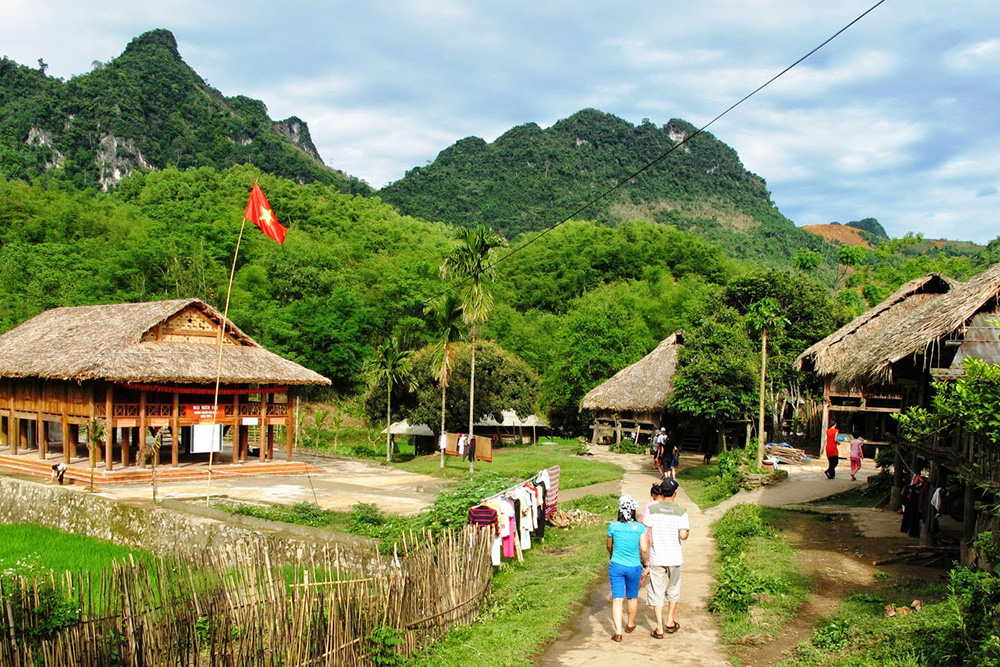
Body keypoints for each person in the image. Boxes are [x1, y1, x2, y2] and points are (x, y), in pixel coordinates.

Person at [642, 478, 689, 638]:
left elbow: (645, 533)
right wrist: (685, 532)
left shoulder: (652, 511)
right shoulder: (681, 512)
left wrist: (644, 555)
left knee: (656, 590)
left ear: (661, 492)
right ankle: (670, 621)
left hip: (657, 557)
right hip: (675, 557)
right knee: (673, 589)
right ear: (675, 493)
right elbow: (683, 535)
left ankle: (659, 627)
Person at [606, 495, 649, 642]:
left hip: (616, 566)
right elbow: (644, 548)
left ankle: (618, 632)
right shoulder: (640, 528)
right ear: (633, 510)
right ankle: (630, 624)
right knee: (632, 596)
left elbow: (609, 545)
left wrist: (612, 556)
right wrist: (646, 563)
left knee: (617, 599)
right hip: (634, 566)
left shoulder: (613, 526)